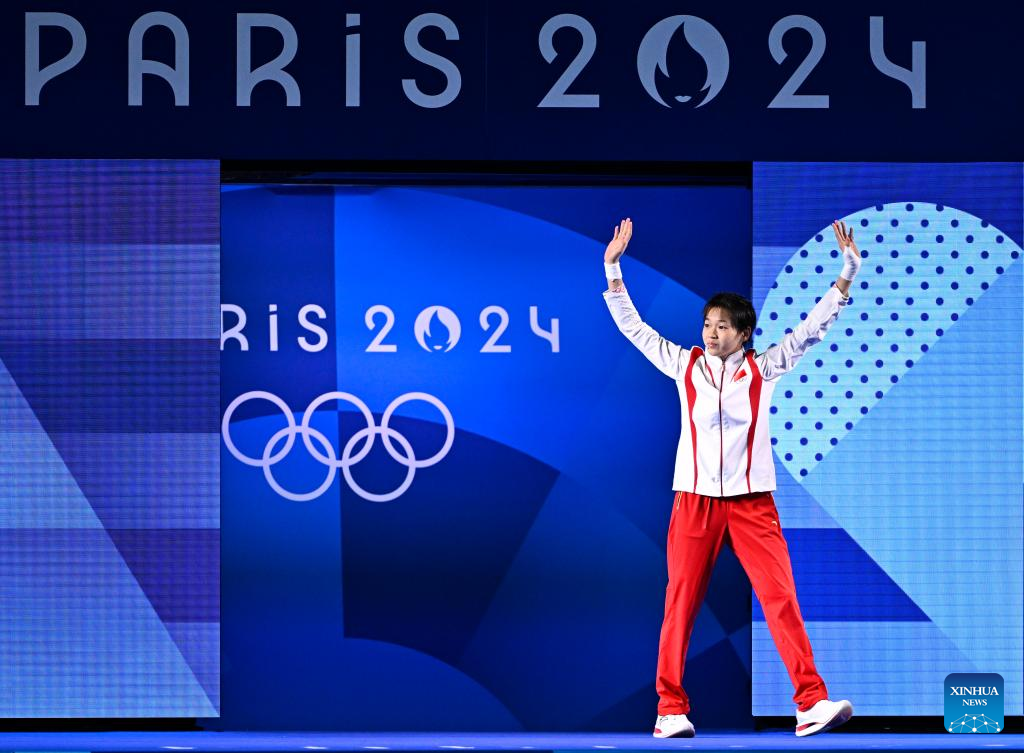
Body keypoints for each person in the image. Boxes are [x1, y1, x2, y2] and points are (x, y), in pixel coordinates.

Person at [602, 218, 859, 738]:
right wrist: (613, 270)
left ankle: (810, 703)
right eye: (707, 324)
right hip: (694, 502)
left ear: (744, 334)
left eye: (722, 326)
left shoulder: (764, 368)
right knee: (680, 603)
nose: (711, 333)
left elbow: (810, 331)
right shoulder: (685, 365)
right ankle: (669, 710)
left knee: (780, 598)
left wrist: (846, 274)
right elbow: (635, 329)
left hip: (752, 505)